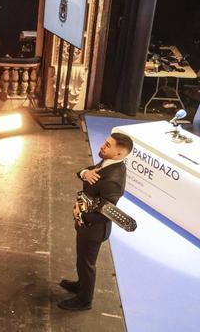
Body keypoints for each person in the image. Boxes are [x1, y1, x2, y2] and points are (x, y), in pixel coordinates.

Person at [59, 132, 133, 311]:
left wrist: (81, 216)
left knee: (86, 264)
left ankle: (84, 300)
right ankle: (81, 285)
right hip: (87, 225)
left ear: (119, 153)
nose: (102, 146)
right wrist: (85, 172)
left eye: (108, 145)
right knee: (82, 261)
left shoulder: (113, 181)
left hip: (93, 229)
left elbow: (106, 212)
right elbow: (89, 171)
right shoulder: (108, 163)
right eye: (105, 142)